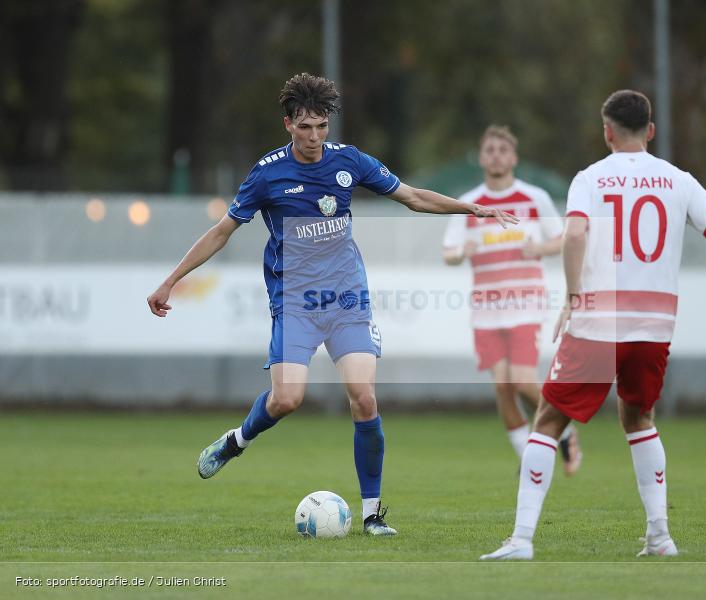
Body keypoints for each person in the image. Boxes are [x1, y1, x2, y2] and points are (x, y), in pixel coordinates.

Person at [147, 73, 516, 537]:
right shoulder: (267, 173)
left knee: (363, 397)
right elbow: (222, 231)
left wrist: (474, 210)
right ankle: (236, 440)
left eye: (321, 126)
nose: (315, 137)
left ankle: (373, 514)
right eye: (305, 127)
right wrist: (171, 281)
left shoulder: (349, 161)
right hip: (295, 302)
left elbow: (413, 197)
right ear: (288, 124)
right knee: (287, 399)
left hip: (346, 297)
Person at [480, 90, 706, 560]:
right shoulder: (678, 180)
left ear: (607, 131)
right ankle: (660, 537)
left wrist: (572, 294)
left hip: (597, 324)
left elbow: (576, 233)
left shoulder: (589, 178)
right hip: (653, 326)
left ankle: (522, 540)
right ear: (650, 130)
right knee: (638, 418)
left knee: (547, 419)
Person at [442, 125, 582, 474]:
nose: (496, 156)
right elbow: (449, 252)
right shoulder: (470, 202)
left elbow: (562, 239)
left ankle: (564, 429)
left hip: (524, 303)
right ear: (481, 157)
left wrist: (539, 248)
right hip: (486, 308)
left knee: (521, 380)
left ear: (514, 157)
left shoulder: (534, 197)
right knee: (503, 387)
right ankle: (529, 461)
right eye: (489, 150)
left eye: (503, 150)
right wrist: (462, 251)